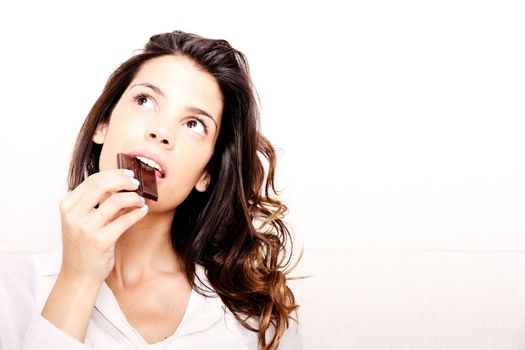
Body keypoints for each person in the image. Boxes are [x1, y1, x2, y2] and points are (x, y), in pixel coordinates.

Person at [0, 30, 301, 349]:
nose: (161, 131)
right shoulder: (12, 290)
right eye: (145, 100)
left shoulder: (253, 317)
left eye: (194, 124)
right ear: (103, 125)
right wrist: (78, 278)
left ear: (206, 174)